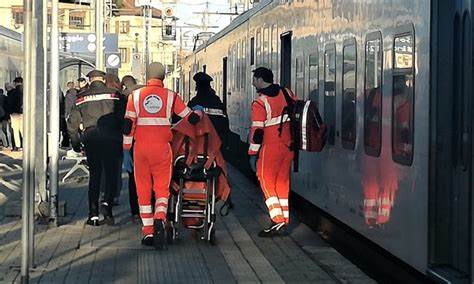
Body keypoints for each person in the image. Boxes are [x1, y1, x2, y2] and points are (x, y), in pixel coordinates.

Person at [123, 62, 195, 248]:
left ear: (147, 76)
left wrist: (126, 150)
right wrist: (199, 115)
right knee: (162, 189)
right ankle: (160, 217)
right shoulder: (171, 96)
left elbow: (128, 125)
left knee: (143, 191)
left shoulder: (135, 96)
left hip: (140, 150)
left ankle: (148, 232)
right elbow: (189, 116)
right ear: (163, 77)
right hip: (162, 149)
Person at [67, 69, 126, 226]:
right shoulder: (115, 95)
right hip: (112, 139)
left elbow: (72, 125)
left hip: (91, 139)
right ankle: (107, 205)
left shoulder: (81, 98)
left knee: (95, 175)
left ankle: (93, 215)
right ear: (103, 79)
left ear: (89, 80)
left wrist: (75, 144)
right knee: (111, 173)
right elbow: (124, 118)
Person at [248, 67, 295, 237]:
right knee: (282, 183)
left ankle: (277, 220)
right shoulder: (287, 93)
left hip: (270, 147)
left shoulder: (260, 102)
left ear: (260, 80)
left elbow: (257, 132)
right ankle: (284, 220)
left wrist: (253, 154)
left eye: (254, 79)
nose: (253, 82)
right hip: (288, 146)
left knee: (266, 182)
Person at [121, 75, 143, 220]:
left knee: (133, 178)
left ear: (124, 85)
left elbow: (127, 125)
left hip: (134, 142)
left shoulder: (124, 97)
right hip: (152, 140)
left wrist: (126, 149)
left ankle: (135, 210)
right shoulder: (145, 92)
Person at [188, 72, 230, 146]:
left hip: (198, 142)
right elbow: (225, 124)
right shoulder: (217, 101)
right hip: (217, 141)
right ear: (209, 87)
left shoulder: (194, 102)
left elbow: (187, 122)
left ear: (197, 87)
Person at [7, 77, 23, 151]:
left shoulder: (13, 92)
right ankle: (25, 145)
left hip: (14, 114)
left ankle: (17, 146)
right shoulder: (27, 90)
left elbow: (10, 104)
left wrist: (9, 115)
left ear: (15, 83)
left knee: (15, 130)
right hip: (24, 113)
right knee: (23, 130)